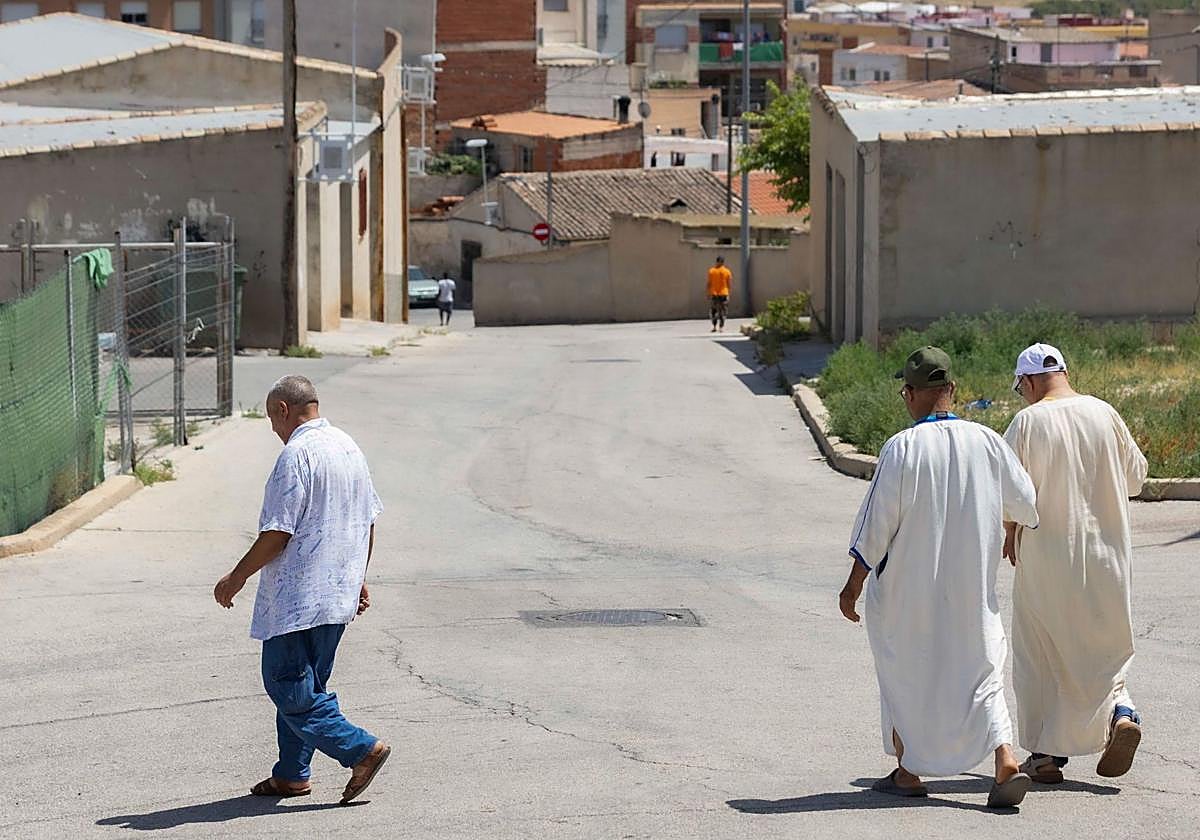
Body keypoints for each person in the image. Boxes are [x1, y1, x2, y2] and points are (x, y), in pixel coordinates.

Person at [839, 347, 1040, 809]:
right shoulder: (988, 441)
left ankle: (908, 771)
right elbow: (1026, 503)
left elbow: (875, 527)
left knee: (904, 673)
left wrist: (853, 585)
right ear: (952, 390)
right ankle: (1005, 758)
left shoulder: (902, 448)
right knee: (983, 671)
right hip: (971, 589)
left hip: (908, 594)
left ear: (909, 395)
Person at [214, 375, 390, 805]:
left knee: (287, 685)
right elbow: (367, 520)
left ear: (282, 410)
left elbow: (277, 532)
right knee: (307, 689)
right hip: (336, 595)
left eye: (272, 421)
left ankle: (360, 749)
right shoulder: (349, 447)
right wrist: (357, 577)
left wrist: (235, 577)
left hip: (298, 599)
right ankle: (292, 775)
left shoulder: (297, 455)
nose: (274, 431)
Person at [1003, 343, 1148, 783]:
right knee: (1104, 650)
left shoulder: (1027, 422)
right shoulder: (1105, 413)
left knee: (1042, 653)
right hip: (1108, 556)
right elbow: (1136, 478)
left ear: (1027, 382)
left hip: (1048, 558)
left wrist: (1010, 530)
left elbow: (1010, 492)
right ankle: (1120, 713)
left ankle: (1046, 756)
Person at [706, 256, 732, 333]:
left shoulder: (711, 271)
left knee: (714, 310)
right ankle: (721, 327)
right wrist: (728, 293)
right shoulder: (727, 271)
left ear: (717, 261)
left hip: (714, 293)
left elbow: (709, 283)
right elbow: (729, 284)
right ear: (723, 262)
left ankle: (714, 326)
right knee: (723, 311)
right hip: (724, 293)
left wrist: (708, 293)